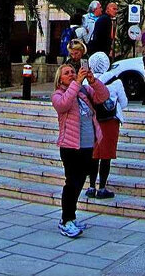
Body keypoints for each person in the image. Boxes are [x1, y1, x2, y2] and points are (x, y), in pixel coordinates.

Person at [50, 61, 110, 238]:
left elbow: (103, 96)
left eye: (72, 72)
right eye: (67, 73)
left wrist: (93, 81)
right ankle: (65, 219)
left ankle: (72, 216)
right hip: (70, 146)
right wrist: (77, 83)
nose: (71, 74)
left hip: (87, 145)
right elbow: (64, 105)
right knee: (71, 182)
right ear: (60, 78)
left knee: (80, 181)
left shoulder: (83, 91)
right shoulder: (58, 94)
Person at [85, 52, 128, 199]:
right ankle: (102, 187)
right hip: (110, 121)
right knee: (106, 155)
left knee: (94, 153)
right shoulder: (116, 81)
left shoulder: (86, 82)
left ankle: (91, 186)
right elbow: (124, 102)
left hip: (93, 120)